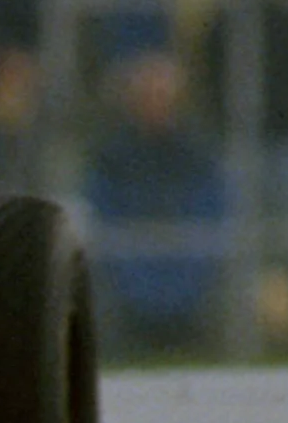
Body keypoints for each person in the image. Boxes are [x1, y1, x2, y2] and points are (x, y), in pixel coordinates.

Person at [83, 50, 228, 354]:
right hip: (129, 276)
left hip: (187, 275)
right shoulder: (112, 158)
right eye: (147, 96)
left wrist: (183, 282)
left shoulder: (198, 156)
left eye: (162, 95)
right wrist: (137, 281)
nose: (155, 104)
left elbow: (211, 215)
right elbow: (104, 216)